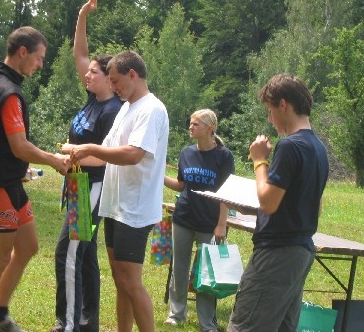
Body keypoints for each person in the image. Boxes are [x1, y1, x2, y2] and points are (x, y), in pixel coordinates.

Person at [0, 26, 71, 332]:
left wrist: (17, 167)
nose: (40, 65)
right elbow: (19, 145)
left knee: (27, 246)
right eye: (39, 58)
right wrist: (54, 160)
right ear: (23, 52)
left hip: (10, 179)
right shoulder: (8, 91)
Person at [69, 51, 169, 332]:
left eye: (115, 81)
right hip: (115, 205)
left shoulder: (151, 109)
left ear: (132, 75)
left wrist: (88, 148)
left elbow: (134, 154)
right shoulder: (127, 107)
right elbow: (107, 155)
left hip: (134, 210)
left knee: (130, 281)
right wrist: (73, 159)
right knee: (120, 278)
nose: (113, 87)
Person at [227, 73, 329, 332]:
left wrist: (259, 159)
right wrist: (255, 208)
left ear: (283, 104)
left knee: (245, 325)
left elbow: (270, 203)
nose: (270, 119)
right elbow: (311, 203)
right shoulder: (318, 147)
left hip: (277, 254)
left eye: (269, 111)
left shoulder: (289, 146)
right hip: (301, 251)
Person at [51, 0, 123, 332]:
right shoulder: (93, 98)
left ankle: (68, 324)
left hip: (90, 187)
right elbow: (79, 53)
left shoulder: (112, 110)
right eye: (88, 71)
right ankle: (87, 321)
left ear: (110, 79)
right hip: (76, 183)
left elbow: (109, 158)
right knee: (86, 255)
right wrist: (82, 14)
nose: (87, 74)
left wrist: (73, 154)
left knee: (68, 252)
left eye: (94, 72)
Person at [164, 109, 234, 331]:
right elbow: (182, 184)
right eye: (190, 123)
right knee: (180, 268)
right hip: (183, 217)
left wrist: (221, 224)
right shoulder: (186, 152)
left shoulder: (224, 156)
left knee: (206, 273)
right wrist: (157, 177)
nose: (190, 127)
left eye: (195, 124)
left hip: (209, 223)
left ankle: (207, 322)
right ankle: (176, 314)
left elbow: (226, 193)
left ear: (210, 129)